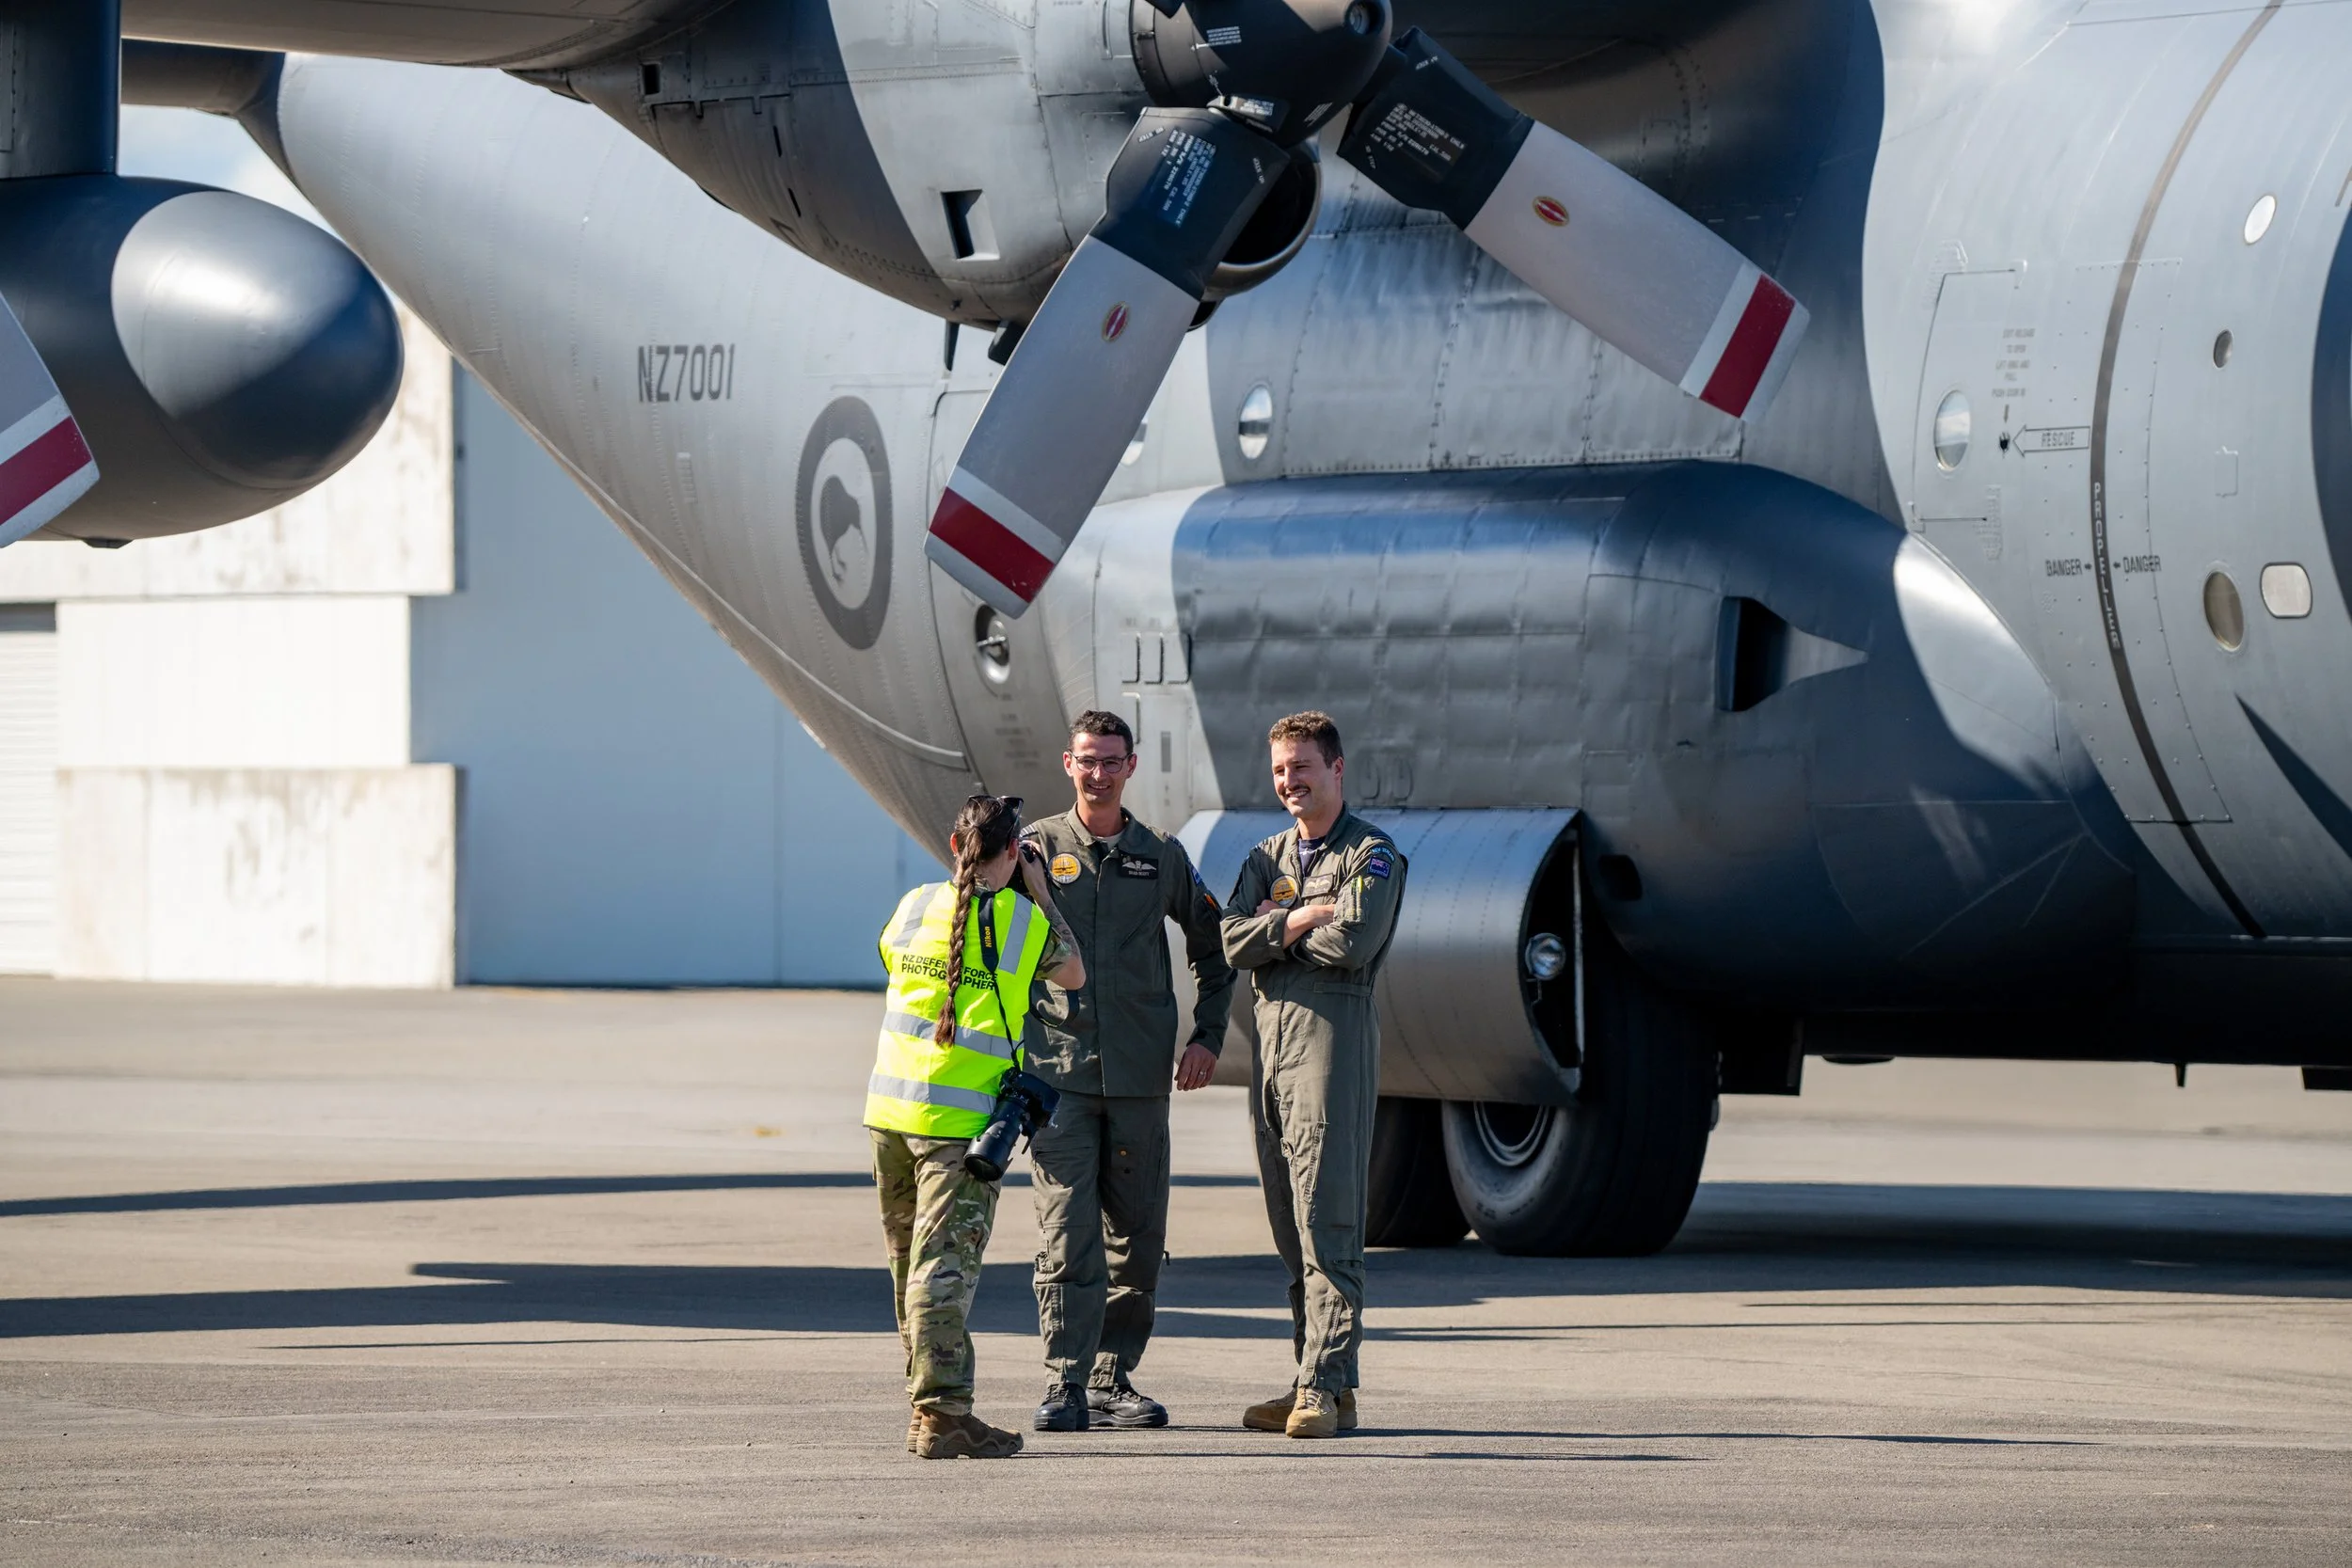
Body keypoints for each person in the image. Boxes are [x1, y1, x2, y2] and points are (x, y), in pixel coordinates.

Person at [1020, 710, 1237, 1432]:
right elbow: (987, 939)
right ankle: (1065, 1380)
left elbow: (1215, 944)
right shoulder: (1036, 850)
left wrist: (1208, 1037)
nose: (1099, 773)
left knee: (1138, 1237)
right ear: (1067, 762)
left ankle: (1113, 1376)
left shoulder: (1160, 855)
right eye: (1087, 760)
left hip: (1142, 1078)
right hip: (1059, 1075)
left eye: (1112, 761)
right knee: (1066, 1231)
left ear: (1131, 766)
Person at [867, 793, 1086, 1460]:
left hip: (890, 1113)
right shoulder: (1022, 919)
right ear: (1012, 854)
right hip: (957, 1123)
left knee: (910, 1268)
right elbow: (1073, 972)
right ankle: (944, 1414)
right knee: (943, 1271)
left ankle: (928, 1406)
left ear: (954, 846)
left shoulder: (912, 906)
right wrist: (1041, 890)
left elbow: (895, 965)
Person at [1219, 712, 1407, 1439]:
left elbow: (1354, 942)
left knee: (1328, 1224)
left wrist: (1278, 924)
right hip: (1273, 1054)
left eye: (1302, 767)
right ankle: (1315, 1375)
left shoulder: (1372, 853)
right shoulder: (1267, 854)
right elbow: (1233, 938)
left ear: (1336, 769)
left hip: (1331, 1051)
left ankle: (1325, 1387)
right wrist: (1298, 918)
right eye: (1279, 771)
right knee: (1290, 1231)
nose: (1289, 782)